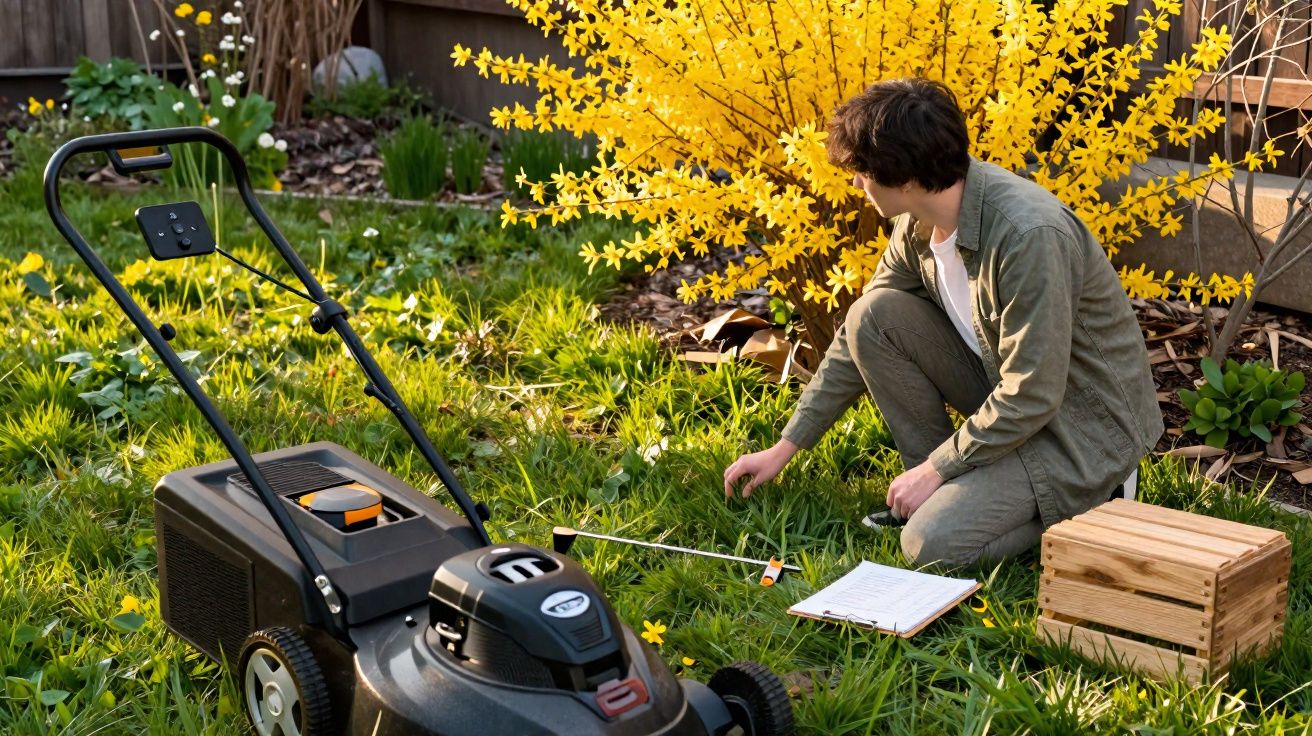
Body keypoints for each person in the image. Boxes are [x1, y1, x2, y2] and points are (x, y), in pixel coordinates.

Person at [722, 78, 1163, 568]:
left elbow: (1033, 393)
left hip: (1080, 430)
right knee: (873, 315)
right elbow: (856, 336)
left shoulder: (1028, 237)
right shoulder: (918, 221)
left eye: (862, 172)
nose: (856, 184)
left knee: (928, 546)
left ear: (905, 178)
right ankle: (947, 490)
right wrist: (785, 447)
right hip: (1012, 401)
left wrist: (937, 466)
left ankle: (1097, 500)